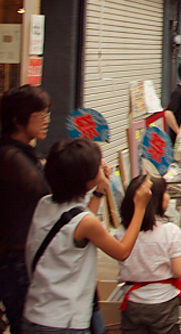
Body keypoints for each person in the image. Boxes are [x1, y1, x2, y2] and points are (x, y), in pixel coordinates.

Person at [24, 139, 152, 333]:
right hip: (64, 323)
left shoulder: (44, 204)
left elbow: (77, 223)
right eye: (98, 166)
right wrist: (140, 207)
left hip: (35, 315)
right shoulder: (86, 223)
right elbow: (122, 251)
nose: (103, 167)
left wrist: (99, 192)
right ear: (87, 180)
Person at [0, 85, 52, 334]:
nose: (46, 120)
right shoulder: (8, 156)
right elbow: (45, 193)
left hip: (20, 259)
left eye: (47, 114)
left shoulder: (22, 154)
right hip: (13, 263)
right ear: (16, 119)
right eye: (40, 115)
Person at [115, 175, 181, 334]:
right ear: (155, 201)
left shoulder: (122, 232)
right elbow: (179, 270)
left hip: (133, 300)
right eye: (165, 193)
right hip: (163, 300)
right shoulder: (170, 231)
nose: (167, 197)